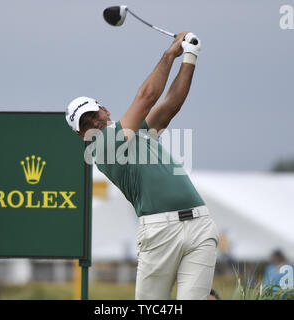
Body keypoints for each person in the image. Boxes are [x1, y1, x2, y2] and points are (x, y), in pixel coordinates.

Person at [65, 32, 220, 300]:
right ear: (81, 135)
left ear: (105, 109)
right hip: (159, 232)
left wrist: (190, 55)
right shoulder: (100, 148)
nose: (94, 123)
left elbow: (171, 104)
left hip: (200, 224)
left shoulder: (136, 132)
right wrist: (171, 54)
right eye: (85, 123)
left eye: (94, 114)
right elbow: (146, 98)